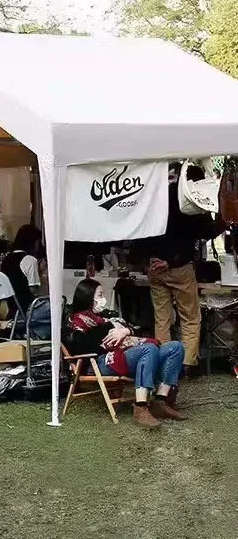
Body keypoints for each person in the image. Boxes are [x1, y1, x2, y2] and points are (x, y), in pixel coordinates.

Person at [67, 278, 185, 428]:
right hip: (100, 362)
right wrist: (112, 330)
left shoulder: (105, 317)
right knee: (149, 349)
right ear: (88, 297)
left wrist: (124, 331)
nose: (103, 299)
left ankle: (160, 401)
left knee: (175, 347)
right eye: (99, 295)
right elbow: (82, 347)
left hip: (125, 354)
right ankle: (140, 407)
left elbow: (133, 327)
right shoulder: (77, 321)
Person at [145, 161, 226, 375]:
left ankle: (163, 362)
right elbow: (205, 231)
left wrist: (152, 259)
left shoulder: (153, 197)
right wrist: (221, 219)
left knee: (162, 318)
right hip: (179, 265)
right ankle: (187, 364)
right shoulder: (187, 200)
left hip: (155, 265)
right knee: (190, 317)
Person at [1, 224, 50, 338]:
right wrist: (40, 272)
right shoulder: (30, 260)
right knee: (59, 305)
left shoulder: (6, 259)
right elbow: (34, 290)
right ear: (34, 243)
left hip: (9, 308)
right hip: (26, 310)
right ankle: (35, 336)